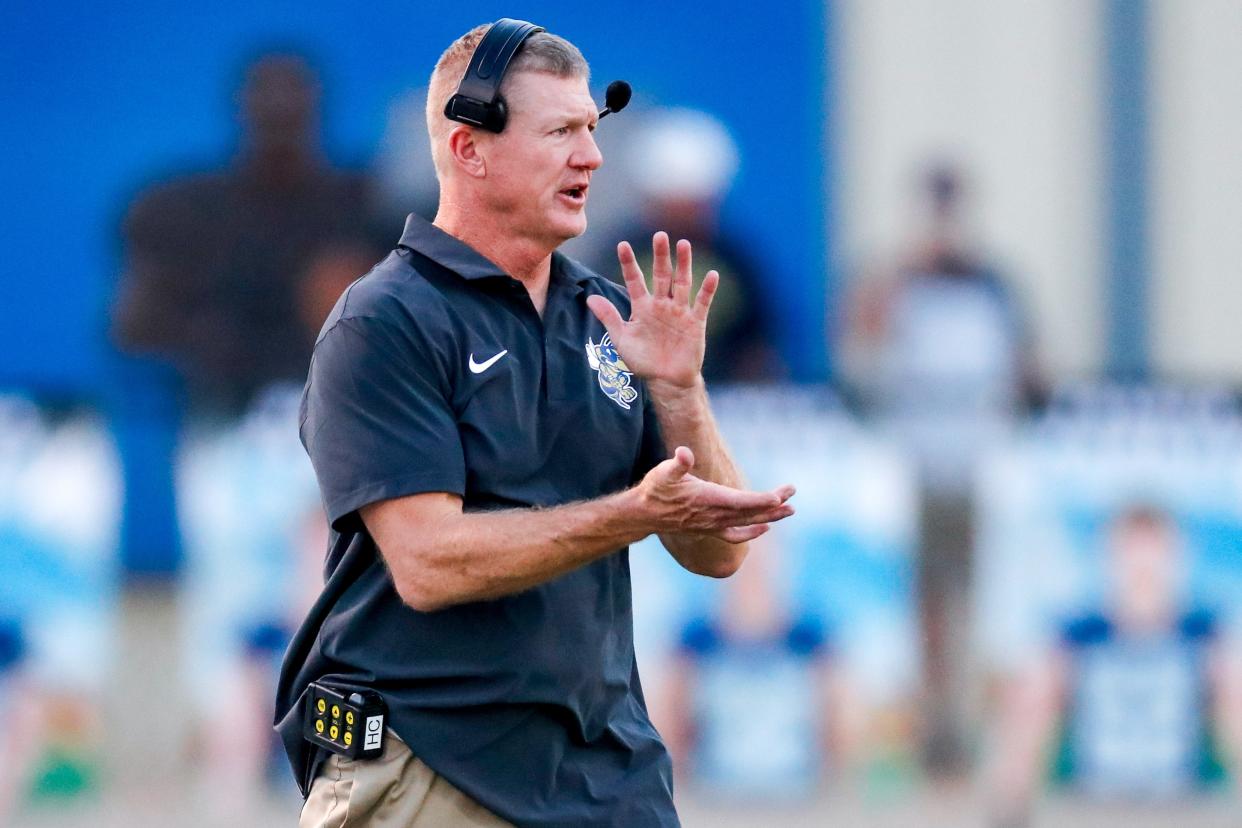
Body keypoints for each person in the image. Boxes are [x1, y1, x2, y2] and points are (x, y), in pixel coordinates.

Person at [274, 22, 796, 828]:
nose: (591, 157)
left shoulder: (607, 313)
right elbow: (430, 563)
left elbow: (719, 550)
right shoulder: (385, 322)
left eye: (593, 130)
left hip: (607, 772)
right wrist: (628, 515)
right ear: (470, 147)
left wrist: (680, 389)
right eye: (560, 132)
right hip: (429, 768)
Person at [112, 52, 382, 418]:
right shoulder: (182, 213)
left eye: (291, 102)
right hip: (213, 416)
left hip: (349, 414)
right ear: (242, 109)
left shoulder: (370, 207)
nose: (280, 110)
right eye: (268, 101)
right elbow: (132, 326)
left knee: (342, 279)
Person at [987, 505, 1242, 827]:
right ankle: (1008, 817)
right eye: (1132, 550)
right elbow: (1029, 701)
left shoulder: (1203, 631)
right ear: (1110, 555)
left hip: (1180, 788)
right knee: (1035, 686)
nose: (1142, 564)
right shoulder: (1079, 633)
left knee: (1234, 681)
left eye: (1153, 550)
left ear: (1176, 554)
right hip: (1095, 788)